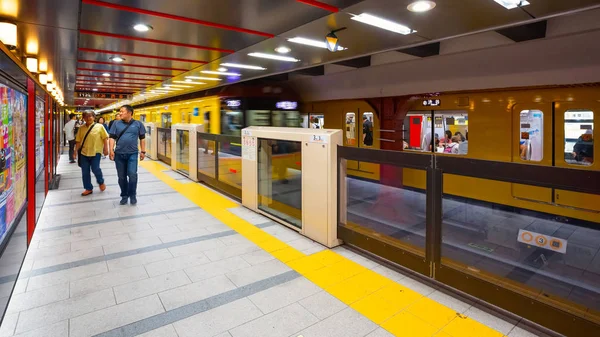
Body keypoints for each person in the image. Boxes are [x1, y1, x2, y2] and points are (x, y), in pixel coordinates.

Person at [109, 105, 146, 205]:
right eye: (120, 111)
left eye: (122, 111)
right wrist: (111, 150)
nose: (120, 113)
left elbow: (142, 138)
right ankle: (124, 195)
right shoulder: (116, 124)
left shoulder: (138, 124)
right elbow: (111, 137)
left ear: (130, 113)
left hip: (132, 154)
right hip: (119, 154)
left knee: (132, 174)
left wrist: (143, 151)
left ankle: (132, 194)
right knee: (121, 177)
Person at [75, 111, 109, 196]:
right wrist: (75, 152)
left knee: (95, 169)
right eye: (86, 116)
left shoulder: (100, 127)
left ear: (94, 117)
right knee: (85, 172)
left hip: (96, 152)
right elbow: (78, 141)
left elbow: (105, 138)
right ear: (83, 118)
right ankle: (88, 188)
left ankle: (101, 182)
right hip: (84, 153)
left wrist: (106, 149)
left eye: (90, 116)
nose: (88, 118)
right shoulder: (81, 128)